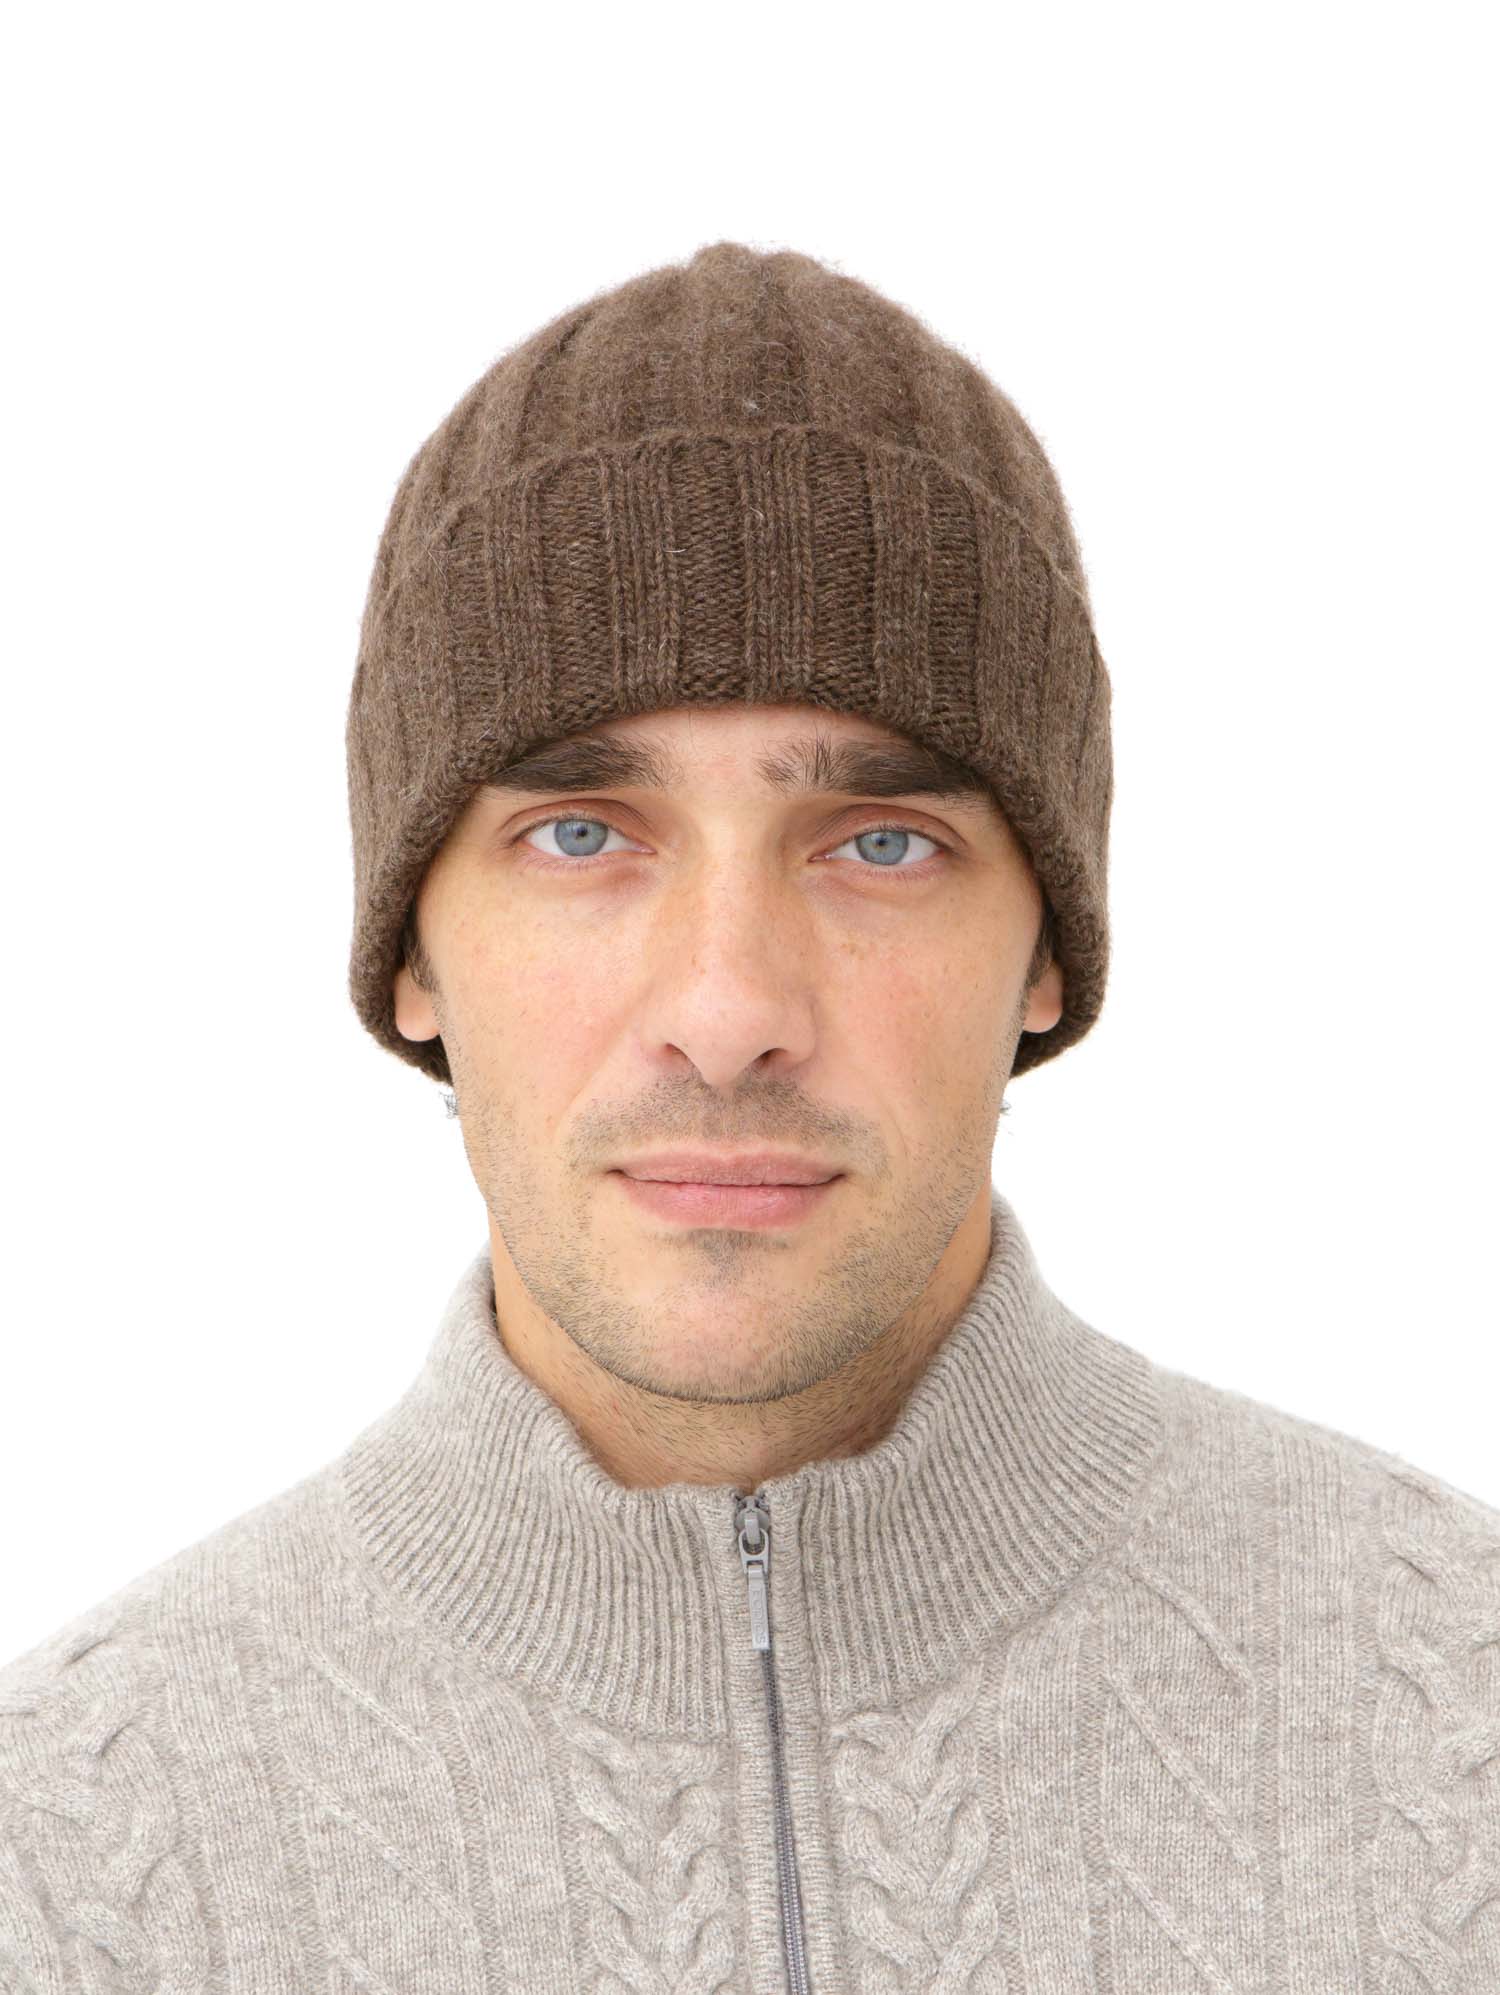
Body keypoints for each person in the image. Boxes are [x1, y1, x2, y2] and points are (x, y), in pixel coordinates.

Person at [3, 241, 1497, 1994]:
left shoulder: (1457, 1730)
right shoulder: (70, 1866)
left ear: (1046, 951)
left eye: (882, 844)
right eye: (580, 835)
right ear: (408, 948)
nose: (727, 1012)